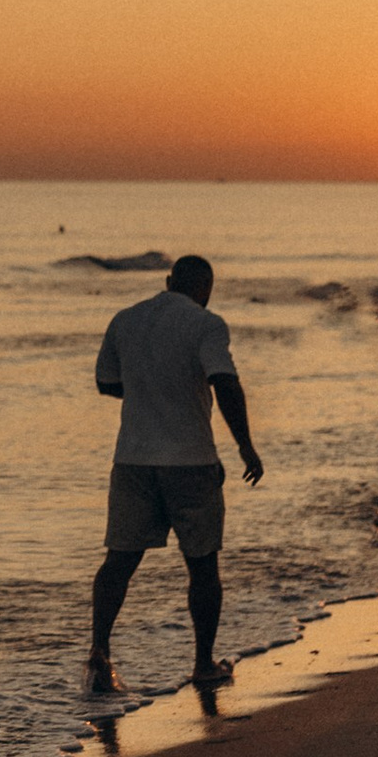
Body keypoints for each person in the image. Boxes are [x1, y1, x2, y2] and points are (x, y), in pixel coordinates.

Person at [87, 253, 263, 707]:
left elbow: (106, 382)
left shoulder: (126, 319)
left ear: (169, 281)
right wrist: (245, 446)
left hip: (133, 461)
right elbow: (224, 382)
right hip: (191, 462)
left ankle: (99, 654)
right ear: (205, 288)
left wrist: (149, 387)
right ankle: (203, 664)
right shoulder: (206, 324)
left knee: (118, 562)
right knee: (202, 566)